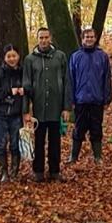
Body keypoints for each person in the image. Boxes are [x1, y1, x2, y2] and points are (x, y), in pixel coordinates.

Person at [23, 27, 72, 182]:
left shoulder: (60, 57)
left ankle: (54, 171)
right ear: (37, 39)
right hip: (38, 108)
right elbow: (26, 85)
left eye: (46, 37)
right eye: (41, 38)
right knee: (38, 141)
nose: (43, 40)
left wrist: (67, 107)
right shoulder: (30, 59)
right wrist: (26, 110)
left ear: (50, 38)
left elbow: (67, 82)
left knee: (55, 141)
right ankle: (38, 171)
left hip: (56, 107)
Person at [68, 27, 112, 164]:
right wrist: (71, 99)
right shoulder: (75, 56)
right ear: (82, 39)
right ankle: (73, 156)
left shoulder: (102, 56)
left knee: (96, 128)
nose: (89, 39)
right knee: (78, 129)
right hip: (80, 100)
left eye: (92, 37)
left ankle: (97, 157)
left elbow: (107, 78)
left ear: (95, 38)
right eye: (87, 37)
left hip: (97, 99)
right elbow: (71, 79)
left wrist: (107, 98)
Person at [0, 44, 25, 182]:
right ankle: (3, 172)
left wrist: (24, 91)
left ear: (18, 57)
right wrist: (8, 91)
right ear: (4, 58)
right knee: (1, 144)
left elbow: (31, 89)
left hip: (16, 114)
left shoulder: (23, 73)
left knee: (15, 144)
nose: (12, 59)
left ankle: (15, 171)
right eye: (9, 56)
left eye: (14, 56)